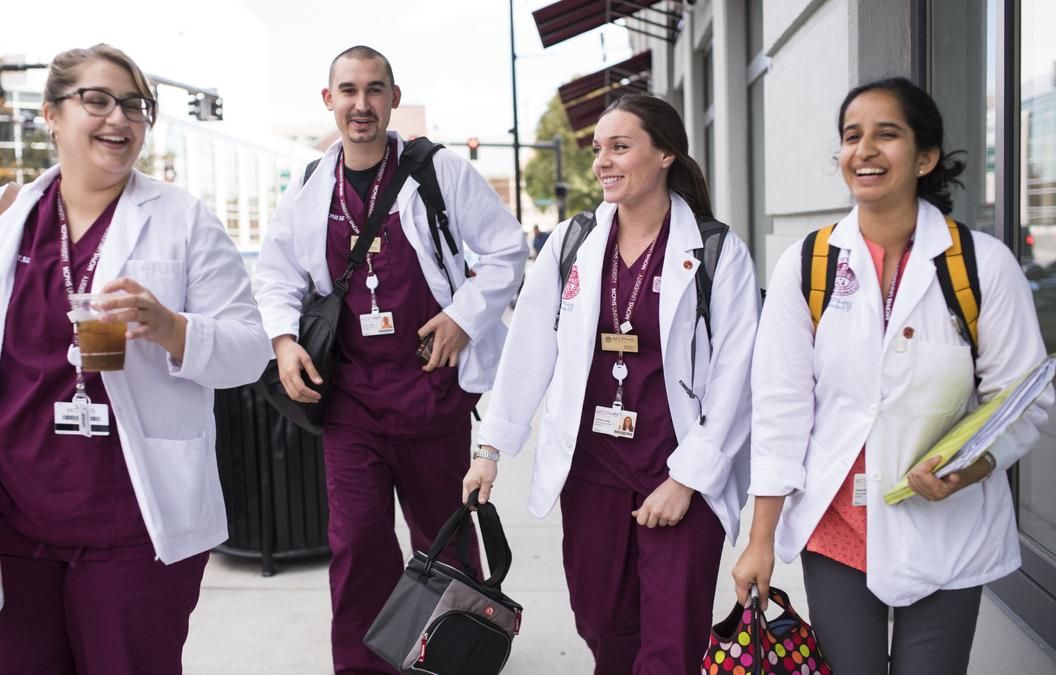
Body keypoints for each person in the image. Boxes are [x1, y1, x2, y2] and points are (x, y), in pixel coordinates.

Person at [0, 44, 271, 674]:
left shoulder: (183, 220)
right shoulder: (2, 215)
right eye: (98, 100)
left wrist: (171, 328)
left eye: (137, 105)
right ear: (52, 115)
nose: (121, 118)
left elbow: (248, 351)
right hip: (8, 527)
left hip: (135, 530)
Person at [732, 77, 1051, 674]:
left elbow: (1023, 400)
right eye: (852, 137)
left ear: (925, 157)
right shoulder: (809, 263)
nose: (864, 150)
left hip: (945, 524)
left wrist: (971, 467)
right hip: (837, 527)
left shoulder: (981, 265)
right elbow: (779, 408)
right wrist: (760, 540)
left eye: (887, 134)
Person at [251, 45, 527, 674]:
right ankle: (362, 667)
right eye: (348, 90)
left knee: (446, 543)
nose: (361, 104)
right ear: (329, 100)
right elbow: (276, 277)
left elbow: (506, 251)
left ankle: (452, 660)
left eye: (375, 90)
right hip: (352, 404)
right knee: (357, 547)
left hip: (433, 396)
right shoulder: (308, 186)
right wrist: (283, 339)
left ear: (393, 99)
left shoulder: (439, 172)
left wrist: (463, 315)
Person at [466, 94, 760, 674]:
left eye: (620, 147)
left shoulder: (718, 252)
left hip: (679, 477)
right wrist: (490, 449)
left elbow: (736, 378)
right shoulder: (574, 243)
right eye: (599, 148)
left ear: (666, 154)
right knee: (600, 624)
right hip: (593, 471)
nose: (603, 161)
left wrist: (688, 479)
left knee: (671, 642)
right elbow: (528, 349)